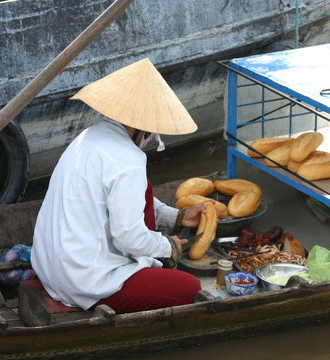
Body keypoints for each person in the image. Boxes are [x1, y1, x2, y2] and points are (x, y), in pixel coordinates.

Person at [31, 58, 206, 314]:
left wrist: (176, 217)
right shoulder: (128, 159)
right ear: (140, 126)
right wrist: (166, 246)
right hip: (82, 279)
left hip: (50, 268)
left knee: (144, 187)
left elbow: (120, 200)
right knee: (190, 286)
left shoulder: (87, 137)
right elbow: (129, 236)